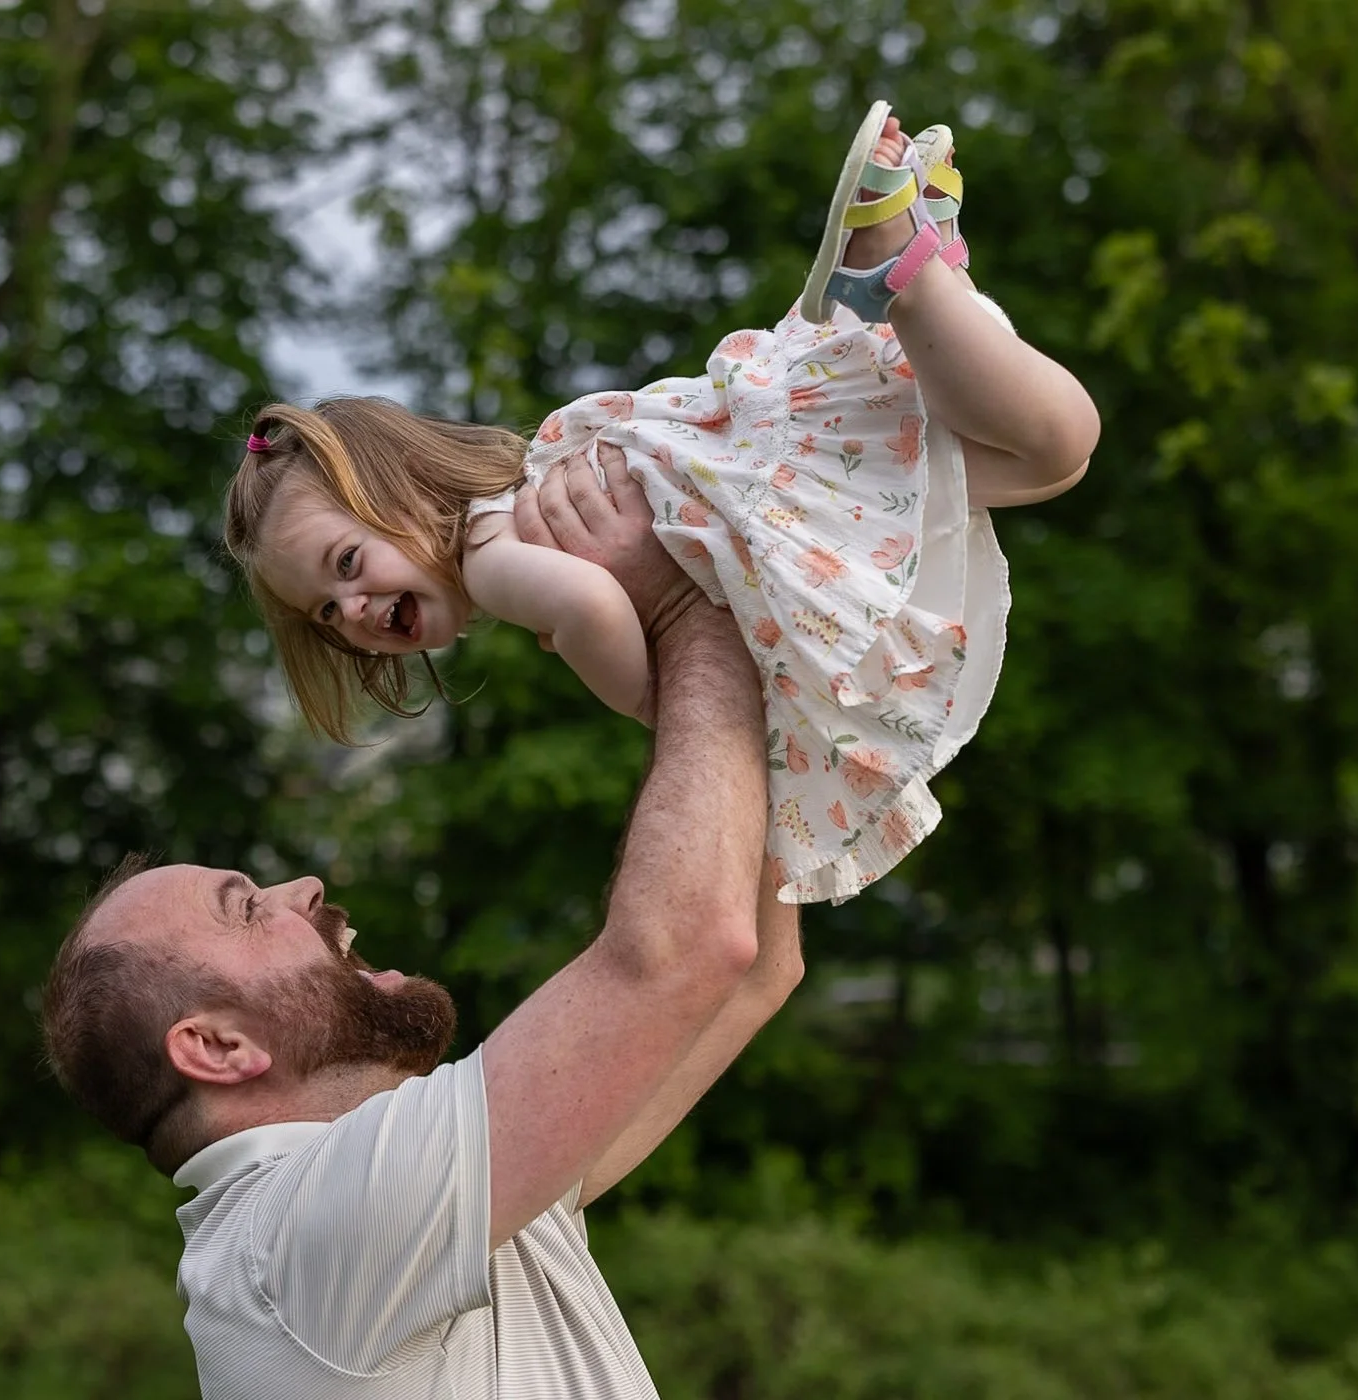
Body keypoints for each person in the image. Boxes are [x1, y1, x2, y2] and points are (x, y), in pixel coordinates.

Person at [42, 453, 798, 1398]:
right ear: (216, 1045)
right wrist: (691, 607)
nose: (305, 886)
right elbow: (686, 950)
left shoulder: (413, 1221)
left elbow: (756, 965)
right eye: (246, 908)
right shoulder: (307, 1238)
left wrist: (772, 684)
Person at [223, 102, 1100, 903]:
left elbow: (595, 606)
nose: (353, 610)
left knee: (1048, 447)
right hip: (760, 464)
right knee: (1055, 452)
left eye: (347, 567)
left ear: (399, 497)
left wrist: (657, 707)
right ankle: (915, 263)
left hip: (758, 501)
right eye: (327, 615)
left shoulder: (490, 560)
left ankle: (897, 273)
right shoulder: (523, 490)